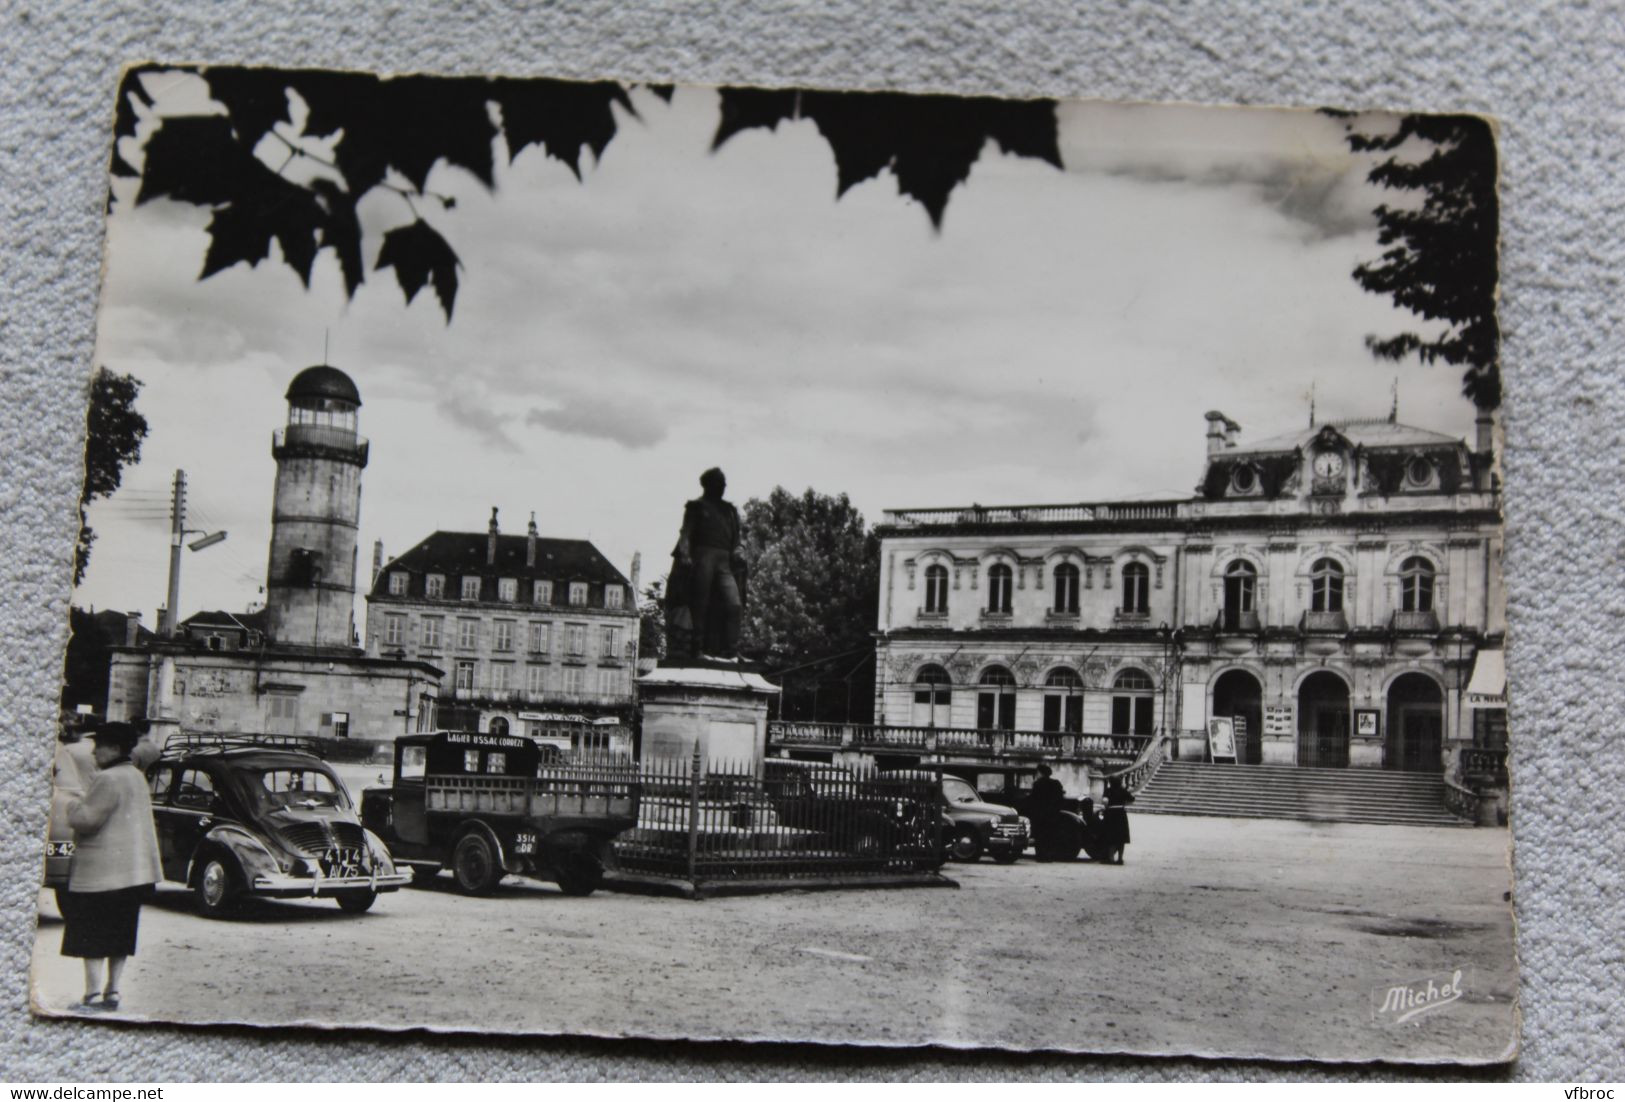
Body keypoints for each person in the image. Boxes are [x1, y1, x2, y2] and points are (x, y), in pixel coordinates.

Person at [59, 721, 162, 1013]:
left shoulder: (108, 779)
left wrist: (72, 805)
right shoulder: (135, 776)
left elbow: (87, 820)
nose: (93, 754)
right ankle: (112, 992)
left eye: (98, 747)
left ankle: (91, 996)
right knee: (120, 935)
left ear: (115, 748)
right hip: (131, 874)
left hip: (102, 876)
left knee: (91, 935)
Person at [668, 467, 748, 661]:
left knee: (734, 604)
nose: (723, 487)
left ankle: (731, 650)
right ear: (708, 484)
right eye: (719, 483)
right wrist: (686, 554)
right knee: (700, 604)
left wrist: (739, 551)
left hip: (724, 561)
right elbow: (685, 534)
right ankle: (696, 650)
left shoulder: (729, 510)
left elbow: (738, 539)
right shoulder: (696, 507)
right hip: (703, 556)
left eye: (723, 483)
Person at [1026, 764, 1066, 861]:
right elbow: (1060, 799)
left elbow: (1033, 800)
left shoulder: (1038, 784)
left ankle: (1041, 856)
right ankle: (1050, 855)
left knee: (1040, 836)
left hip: (1040, 814)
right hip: (1053, 815)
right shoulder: (1056, 783)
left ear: (1040, 773)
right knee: (1050, 836)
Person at [1100, 778, 1135, 866]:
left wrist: (1105, 807)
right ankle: (1120, 858)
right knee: (1121, 837)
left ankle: (1111, 858)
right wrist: (1123, 804)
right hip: (1121, 813)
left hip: (1111, 813)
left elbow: (1105, 801)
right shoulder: (1123, 790)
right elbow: (1131, 799)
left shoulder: (1108, 790)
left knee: (1111, 837)